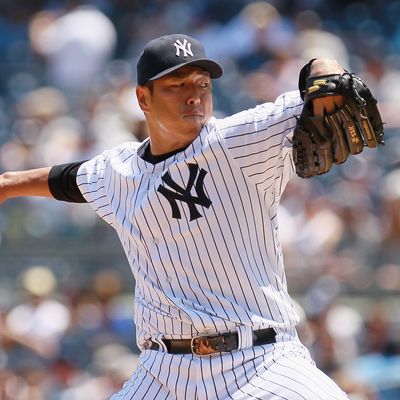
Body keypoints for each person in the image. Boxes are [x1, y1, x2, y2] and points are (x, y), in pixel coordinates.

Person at [0, 33, 352, 399]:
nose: (194, 95)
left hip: (261, 361)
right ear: (143, 98)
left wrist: (322, 66)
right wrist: (7, 184)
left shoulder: (241, 140)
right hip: (162, 372)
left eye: (202, 83)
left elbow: (322, 86)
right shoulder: (116, 173)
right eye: (176, 84)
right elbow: (67, 180)